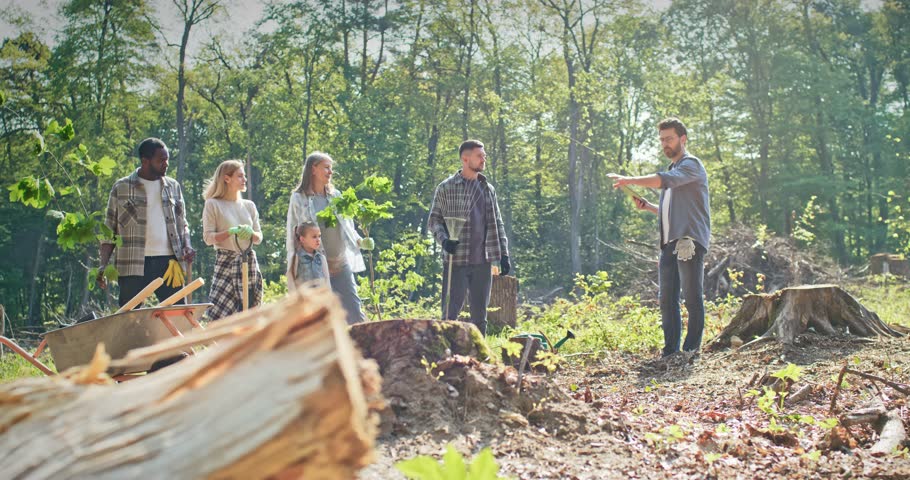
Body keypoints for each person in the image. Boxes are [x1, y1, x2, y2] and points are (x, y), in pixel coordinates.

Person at [608, 117, 711, 357]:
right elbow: (671, 209)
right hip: (669, 244)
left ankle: (691, 350)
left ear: (682, 139)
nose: (665, 143)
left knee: (692, 296)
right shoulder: (674, 169)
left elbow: (662, 181)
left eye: (670, 139)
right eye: (662, 139)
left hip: (688, 241)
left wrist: (630, 179)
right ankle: (671, 351)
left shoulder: (691, 165)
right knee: (667, 299)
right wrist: (649, 207)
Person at [97, 138, 195, 307]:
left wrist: (187, 245)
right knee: (130, 318)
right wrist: (103, 265)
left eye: (167, 159)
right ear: (145, 161)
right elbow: (109, 230)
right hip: (132, 264)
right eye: (161, 160)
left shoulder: (173, 187)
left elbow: (182, 224)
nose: (166, 164)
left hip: (169, 262)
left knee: (178, 313)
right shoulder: (121, 187)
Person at [427, 139, 510, 336]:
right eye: (479, 156)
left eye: (484, 156)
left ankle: (480, 359)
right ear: (465, 158)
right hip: (456, 261)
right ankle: (445, 354)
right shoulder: (446, 188)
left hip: (483, 260)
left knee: (480, 317)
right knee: (449, 315)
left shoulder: (487, 189)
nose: (484, 159)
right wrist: (444, 241)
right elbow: (434, 221)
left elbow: (498, 223)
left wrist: (504, 255)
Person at [286, 151, 366, 324]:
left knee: (354, 312)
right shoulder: (299, 198)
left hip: (340, 263)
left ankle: (362, 350)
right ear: (313, 169)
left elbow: (348, 227)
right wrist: (295, 263)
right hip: (314, 265)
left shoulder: (336, 196)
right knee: (319, 318)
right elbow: (293, 231)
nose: (330, 172)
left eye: (331, 169)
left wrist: (360, 240)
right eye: (326, 168)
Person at [202, 160, 263, 320]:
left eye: (244, 176)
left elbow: (259, 238)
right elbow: (208, 238)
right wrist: (229, 232)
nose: (245, 180)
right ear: (227, 178)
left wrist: (250, 233)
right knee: (222, 316)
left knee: (249, 314)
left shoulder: (249, 206)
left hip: (248, 263)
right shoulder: (212, 204)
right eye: (240, 176)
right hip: (226, 263)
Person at [289, 222, 330, 288]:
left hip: (321, 296)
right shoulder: (296, 258)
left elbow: (327, 281)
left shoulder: (321, 258)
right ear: (302, 239)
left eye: (319, 236)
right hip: (305, 297)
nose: (318, 240)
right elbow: (291, 283)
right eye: (314, 237)